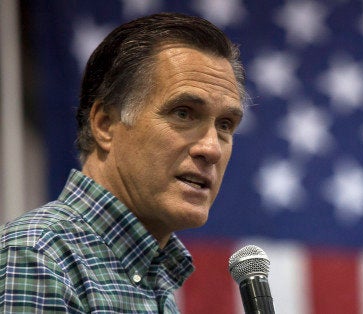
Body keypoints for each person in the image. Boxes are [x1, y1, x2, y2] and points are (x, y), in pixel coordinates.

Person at [0, 12, 246, 312]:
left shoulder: (154, 284)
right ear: (104, 124)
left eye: (225, 125)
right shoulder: (38, 258)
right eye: (183, 113)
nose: (212, 149)